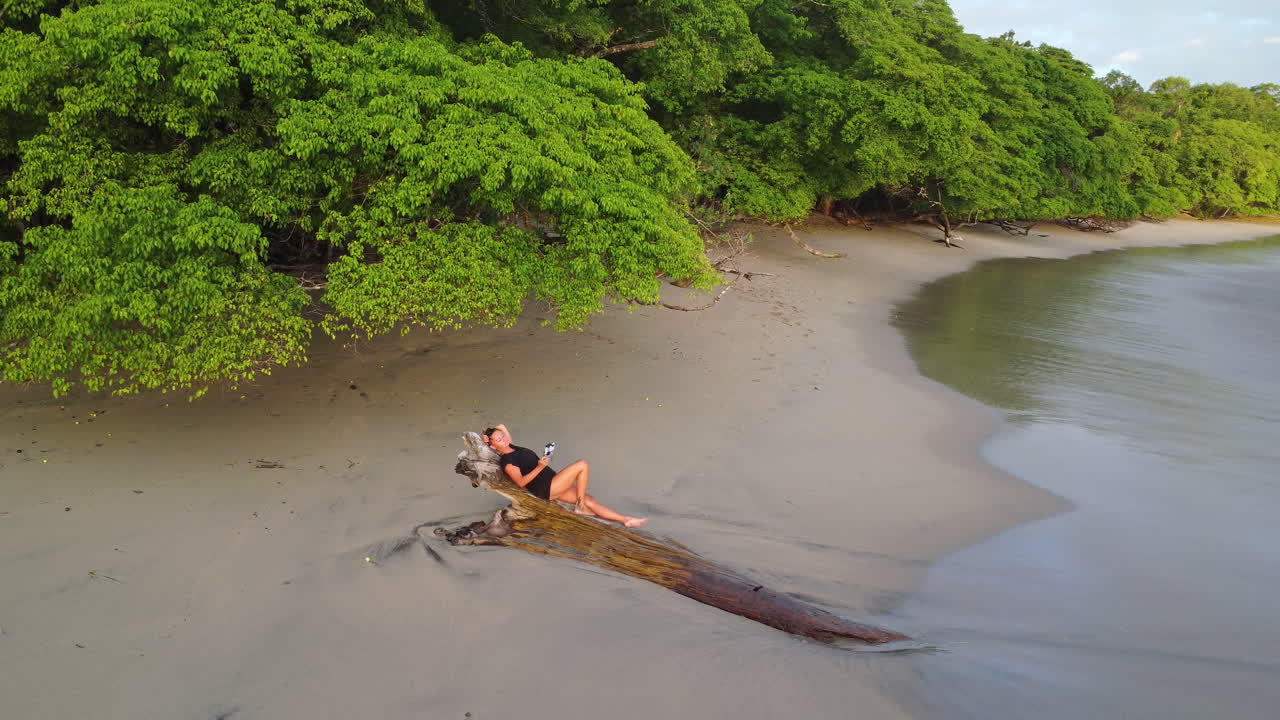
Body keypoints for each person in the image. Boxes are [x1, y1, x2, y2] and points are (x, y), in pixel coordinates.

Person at [481, 424, 647, 528]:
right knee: (582, 465)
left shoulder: (512, 446)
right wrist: (540, 467)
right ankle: (580, 507)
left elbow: (501, 426)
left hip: (552, 481)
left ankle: (625, 519)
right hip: (545, 488)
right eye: (497, 439)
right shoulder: (508, 461)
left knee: (591, 500)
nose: (502, 438)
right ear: (494, 447)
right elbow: (520, 482)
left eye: (501, 436)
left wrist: (488, 437)